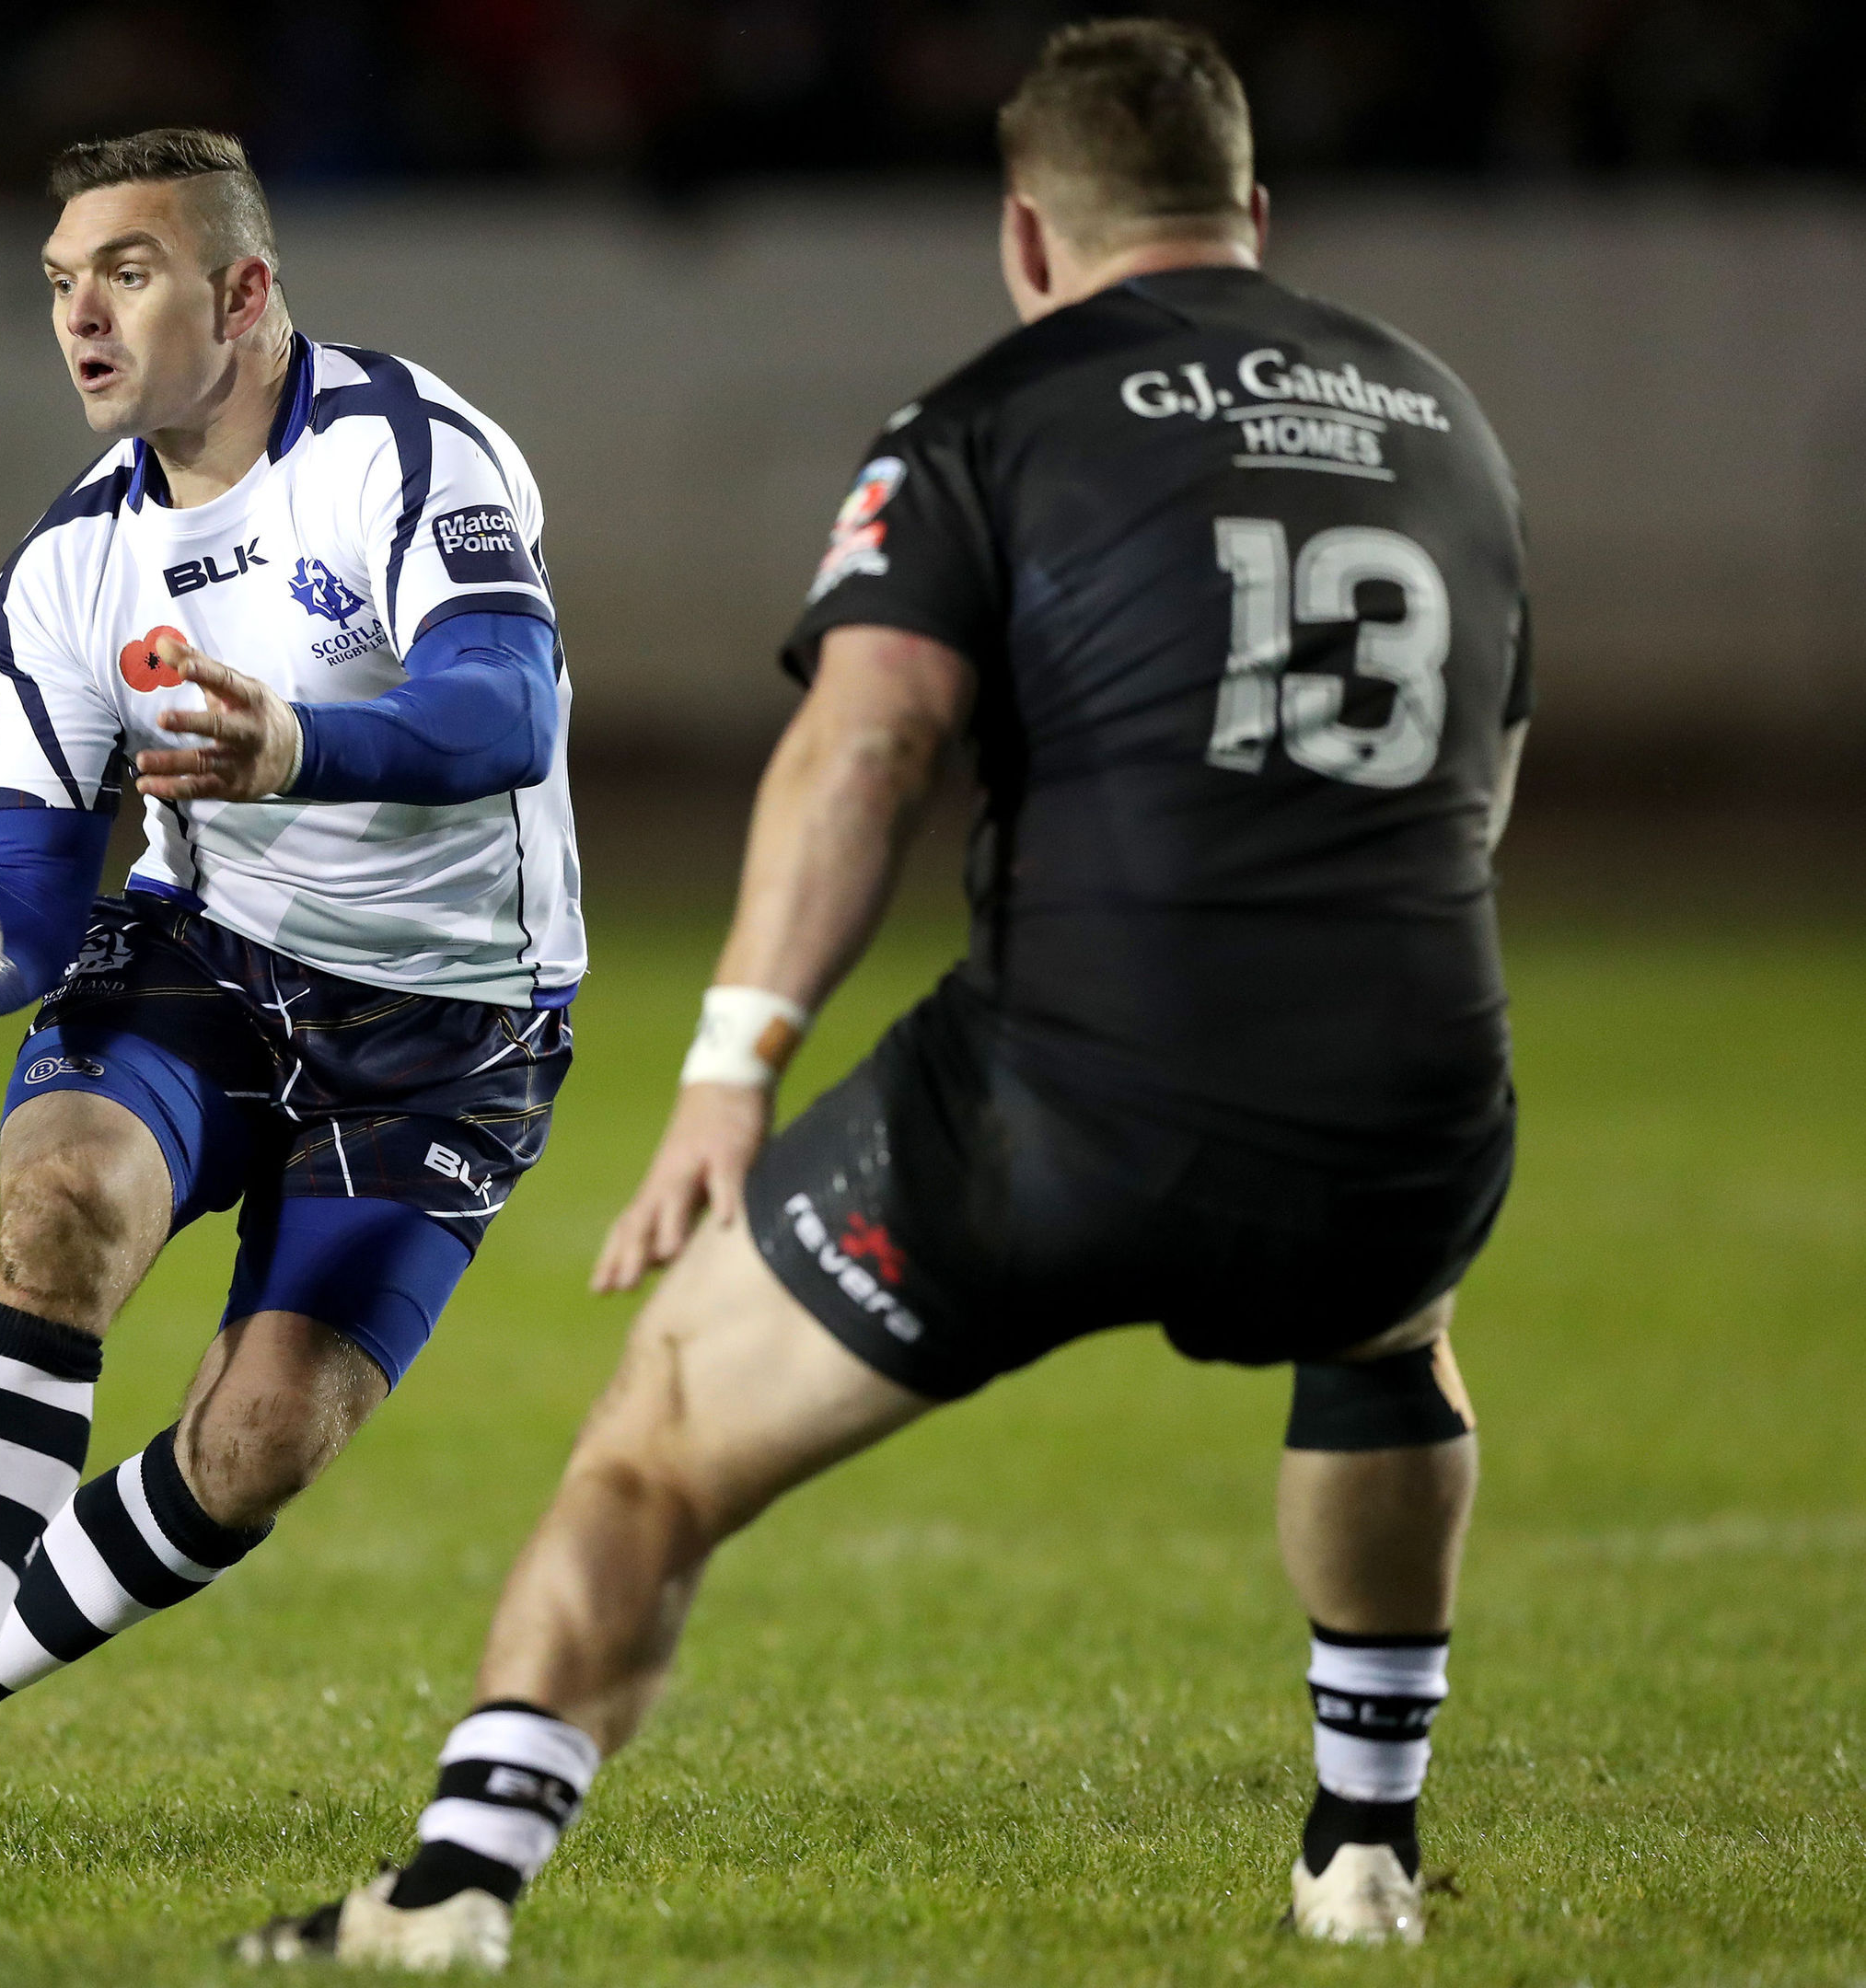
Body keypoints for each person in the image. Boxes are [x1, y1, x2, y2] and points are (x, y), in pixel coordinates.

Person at [239, 18, 1530, 1967]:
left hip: (1071, 1098)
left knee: (659, 1433)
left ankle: (449, 1896)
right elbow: (1478, 772)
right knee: (1382, 1342)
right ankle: (1361, 1852)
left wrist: (727, 1072)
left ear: (1027, 236)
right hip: (1417, 1082)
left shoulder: (990, 415)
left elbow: (866, 751)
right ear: (1254, 215)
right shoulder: (1444, 418)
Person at [0, 128, 585, 1858]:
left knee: (259, 1443)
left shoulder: (400, 452)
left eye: (127, 273)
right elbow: (25, 900)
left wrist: (292, 743)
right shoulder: (61, 578)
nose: (80, 316)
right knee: (65, 1199)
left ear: (245, 291)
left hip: (450, 1028)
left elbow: (504, 709)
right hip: (206, 958)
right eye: (60, 284)